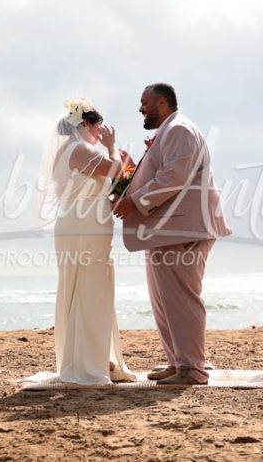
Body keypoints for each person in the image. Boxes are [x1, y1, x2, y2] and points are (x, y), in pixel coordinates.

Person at [113, 83, 232, 385]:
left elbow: (173, 177)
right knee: (164, 300)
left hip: (183, 228)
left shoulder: (179, 129)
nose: (140, 108)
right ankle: (177, 361)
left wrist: (134, 202)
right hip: (166, 230)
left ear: (162, 103)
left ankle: (192, 368)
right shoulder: (169, 130)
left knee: (182, 299)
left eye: (144, 102)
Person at [38, 97, 135, 385]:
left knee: (91, 288)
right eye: (98, 127)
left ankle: (96, 356)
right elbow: (114, 170)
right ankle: (87, 361)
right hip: (84, 227)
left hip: (87, 223)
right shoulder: (78, 149)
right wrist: (113, 147)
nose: (100, 132)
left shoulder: (75, 151)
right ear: (84, 124)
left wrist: (123, 165)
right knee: (88, 288)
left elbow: (115, 177)